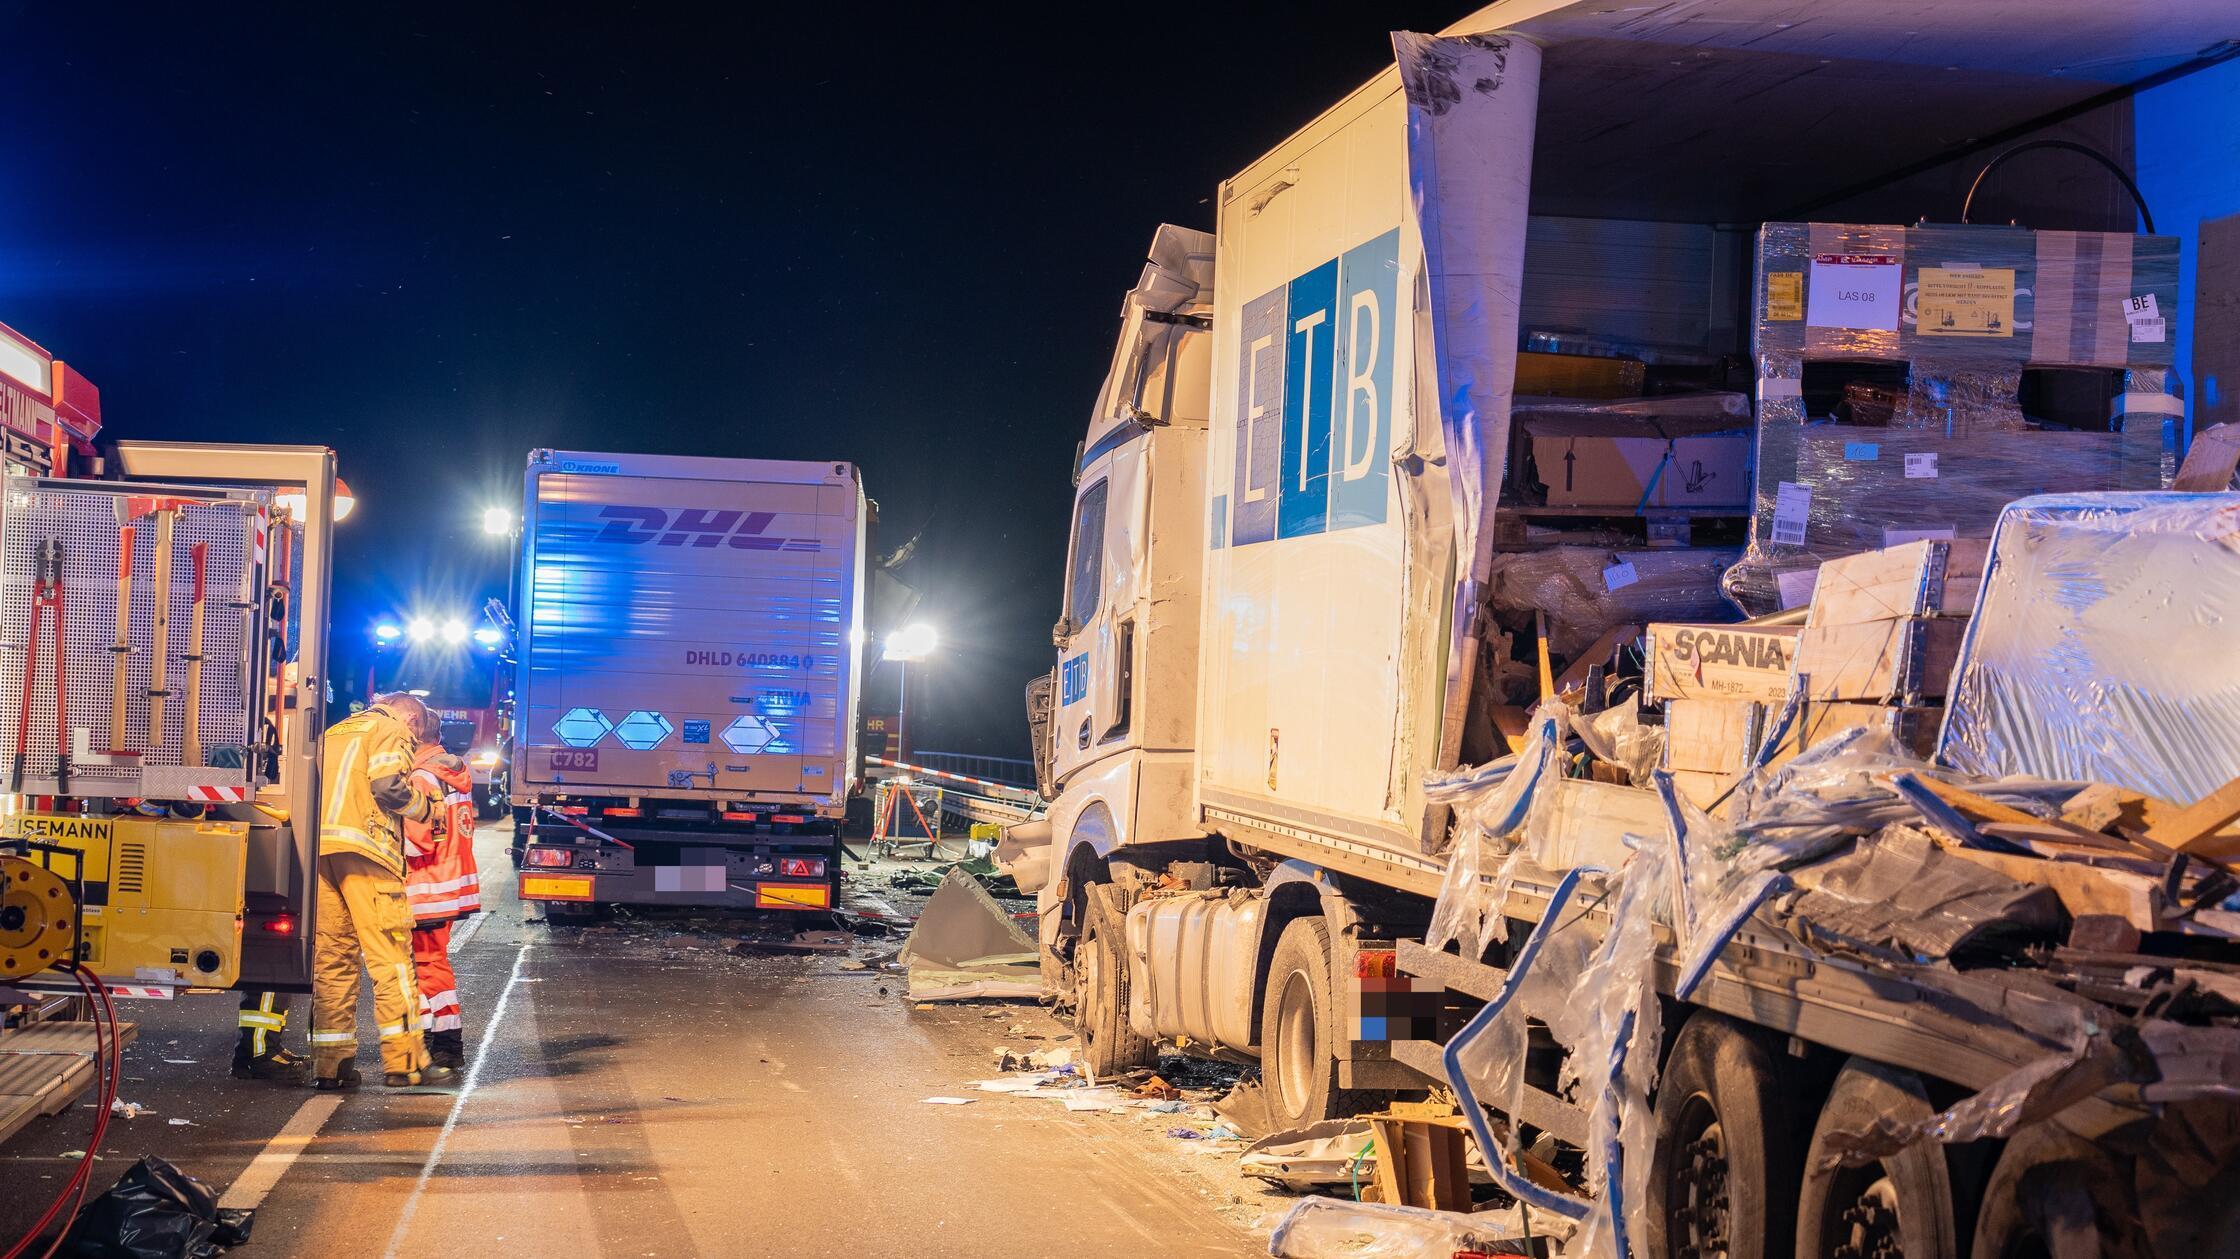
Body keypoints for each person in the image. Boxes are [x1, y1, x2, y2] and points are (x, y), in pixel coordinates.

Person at [308, 693, 457, 1089]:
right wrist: (427, 809)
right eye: (418, 735)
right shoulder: (390, 728)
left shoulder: (336, 729)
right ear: (411, 720)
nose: (416, 742)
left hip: (319, 852)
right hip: (368, 851)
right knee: (390, 959)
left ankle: (331, 1066)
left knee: (333, 959)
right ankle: (405, 1062)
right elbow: (389, 788)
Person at [402, 707, 481, 1071]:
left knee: (421, 968)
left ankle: (437, 1045)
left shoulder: (421, 777)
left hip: (427, 887)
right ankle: (443, 1041)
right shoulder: (452, 771)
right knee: (434, 965)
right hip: (451, 885)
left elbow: (418, 842)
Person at [231, 991, 307, 1080]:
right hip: (257, 1056)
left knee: (276, 988)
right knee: (268, 990)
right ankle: (259, 1057)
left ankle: (263, 1051)